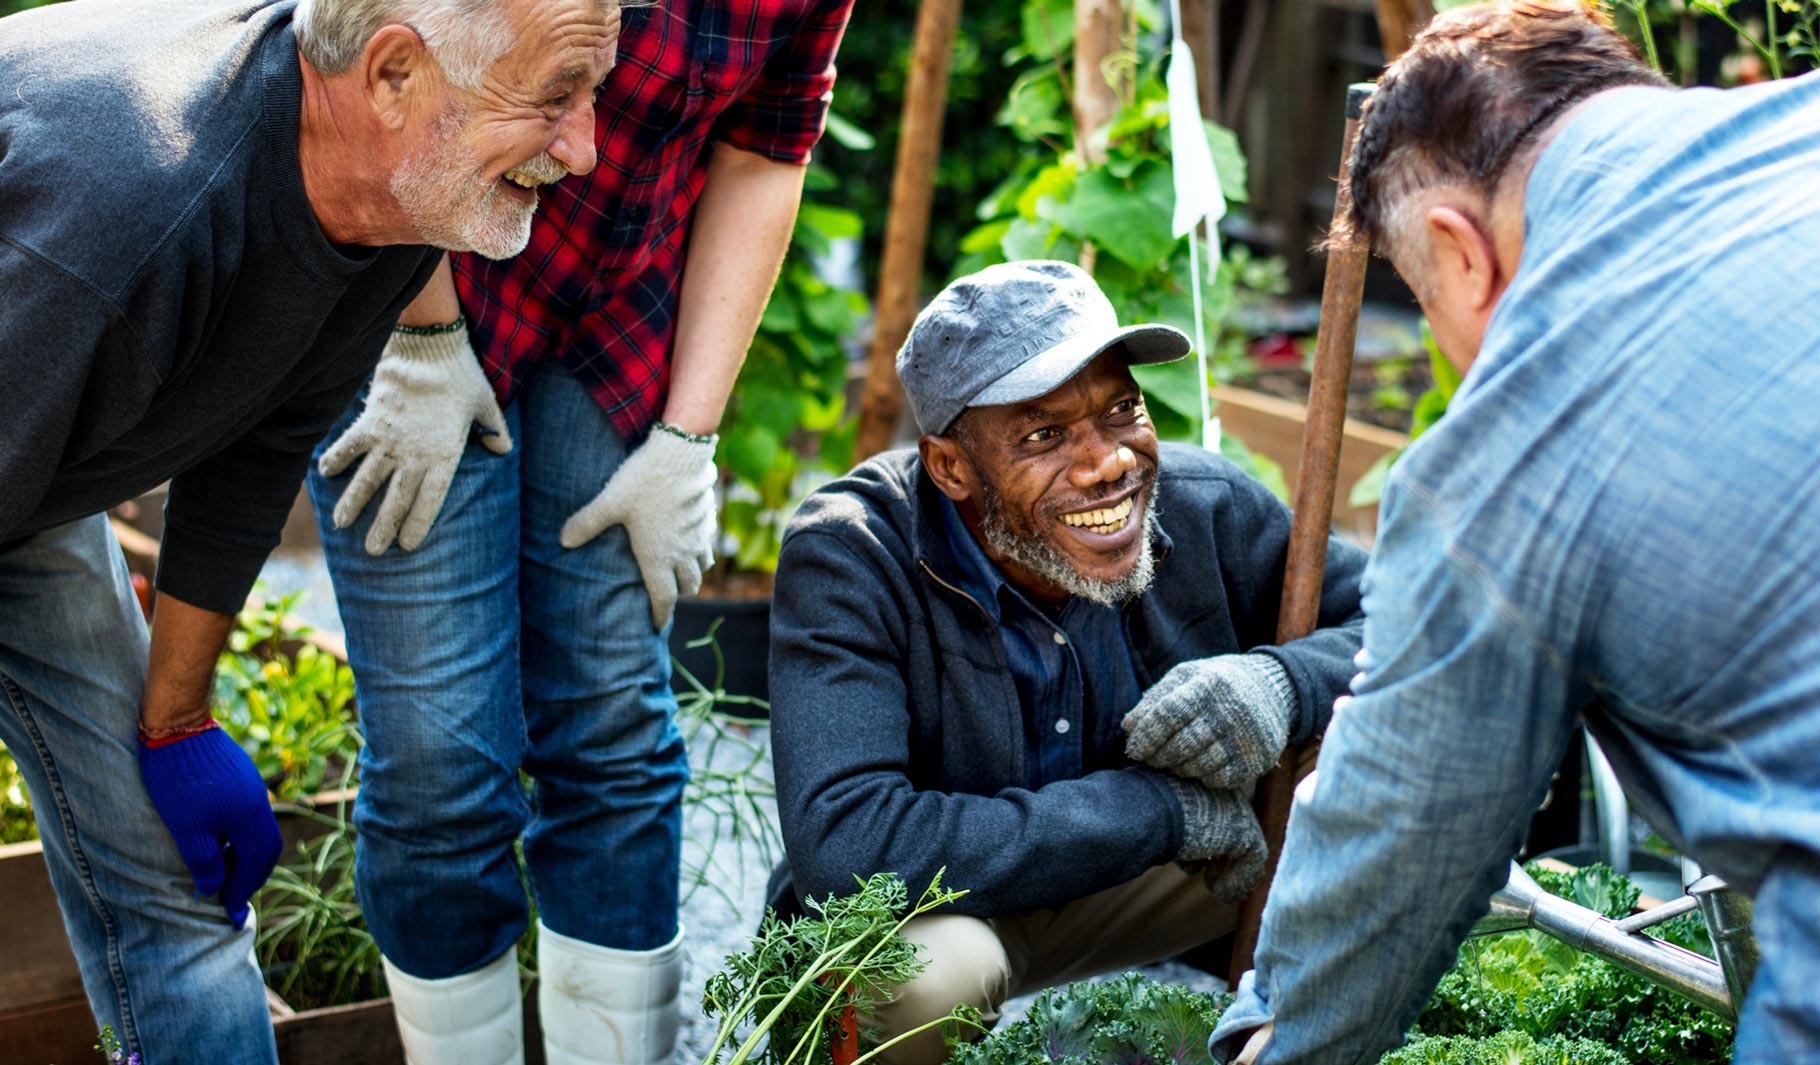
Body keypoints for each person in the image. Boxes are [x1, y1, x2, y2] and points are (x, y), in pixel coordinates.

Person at [1215, 4, 1820, 1063]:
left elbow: (1396, 826)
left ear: (1454, 250)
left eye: (1421, 298)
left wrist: (1276, 1039)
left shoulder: (1508, 447)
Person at [0, 0, 621, 1060]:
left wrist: (177, 722)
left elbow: (252, 444)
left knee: (172, 888)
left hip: (33, 470)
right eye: (554, 97)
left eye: (592, 95)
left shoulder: (385, 197)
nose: (584, 145)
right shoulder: (132, 210)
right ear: (391, 76)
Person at [302, 0, 854, 1060]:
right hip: (416, 274)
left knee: (609, 730)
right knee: (437, 765)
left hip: (615, 317)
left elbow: (767, 147)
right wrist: (421, 341)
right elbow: (393, 74)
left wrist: (688, 437)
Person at [765, 260, 1370, 1064]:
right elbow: (847, 845)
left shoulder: (1204, 503)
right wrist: (1158, 813)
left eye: (1122, 408)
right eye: (1044, 435)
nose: (1107, 462)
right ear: (950, 466)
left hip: (1161, 880)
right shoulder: (852, 556)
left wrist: (1280, 683)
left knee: (1384, 758)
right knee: (917, 979)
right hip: (951, 910)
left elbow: (1408, 622)